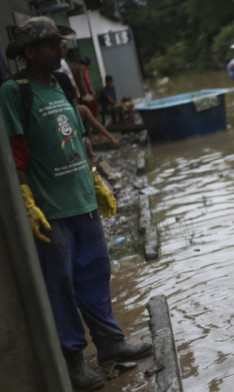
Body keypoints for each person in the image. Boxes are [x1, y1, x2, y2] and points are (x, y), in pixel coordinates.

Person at [1, 17, 151, 390]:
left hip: (83, 204)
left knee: (96, 277)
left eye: (60, 43)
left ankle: (111, 345)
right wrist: (26, 201)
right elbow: (16, 153)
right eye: (51, 44)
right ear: (30, 52)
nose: (60, 49)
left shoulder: (62, 87)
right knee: (61, 286)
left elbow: (78, 141)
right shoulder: (15, 91)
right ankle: (72, 359)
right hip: (51, 211)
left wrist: (95, 179)